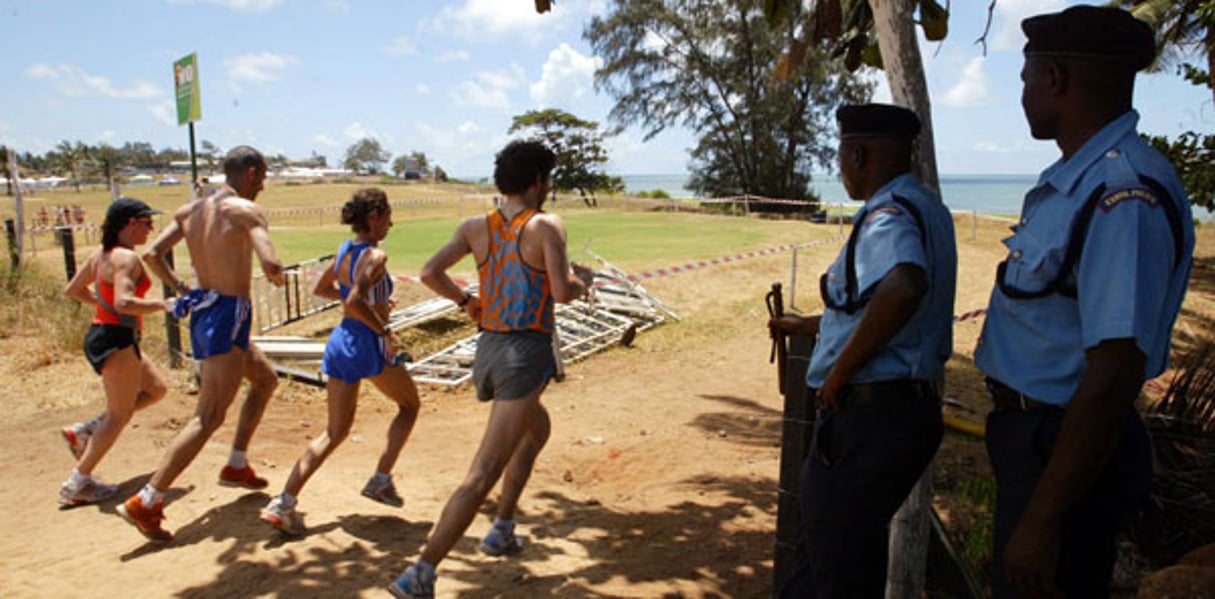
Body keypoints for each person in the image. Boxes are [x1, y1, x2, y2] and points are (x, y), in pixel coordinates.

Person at [975, 6, 1195, 598]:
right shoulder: (1078, 179)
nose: (1021, 93)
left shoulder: (1123, 197)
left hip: (1064, 454)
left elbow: (1114, 372)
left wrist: (1043, 522)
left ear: (1056, 79)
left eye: (1025, 78)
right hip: (1038, 442)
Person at [388, 140, 594, 597]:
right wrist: (584, 281)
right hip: (525, 354)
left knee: (536, 432)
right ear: (538, 182)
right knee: (482, 473)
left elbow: (428, 272)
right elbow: (561, 292)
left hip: (489, 350)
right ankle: (420, 571)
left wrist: (467, 302)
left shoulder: (475, 226)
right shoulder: (546, 225)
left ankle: (502, 526)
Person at [770, 104, 957, 597]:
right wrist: (807, 324)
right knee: (832, 556)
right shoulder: (927, 207)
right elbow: (869, 303)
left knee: (836, 571)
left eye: (840, 155)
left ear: (857, 153)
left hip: (869, 416)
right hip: (904, 411)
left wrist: (838, 374)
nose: (840, 167)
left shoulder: (886, 215)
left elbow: (905, 286)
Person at [116, 146, 286, 542]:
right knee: (209, 414)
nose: (262, 185)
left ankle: (237, 464)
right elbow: (270, 261)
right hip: (229, 314)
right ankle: (148, 499)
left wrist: (182, 289)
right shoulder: (245, 211)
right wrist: (275, 272)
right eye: (261, 177)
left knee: (265, 380)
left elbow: (154, 253)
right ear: (250, 171)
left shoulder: (190, 211)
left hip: (212, 310)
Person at [259, 188, 422, 536]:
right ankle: (380, 479)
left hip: (341, 341)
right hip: (368, 343)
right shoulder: (376, 256)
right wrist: (384, 328)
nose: (391, 223)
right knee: (409, 406)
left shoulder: (345, 249)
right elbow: (353, 302)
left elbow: (325, 289)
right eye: (388, 216)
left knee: (334, 432)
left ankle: (283, 502)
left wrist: (371, 306)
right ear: (374, 216)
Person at [58, 198, 171, 506]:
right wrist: (165, 305)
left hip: (109, 334)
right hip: (116, 339)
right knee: (119, 415)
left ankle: (86, 429)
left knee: (157, 389)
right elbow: (124, 302)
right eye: (148, 223)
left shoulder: (101, 254)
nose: (151, 229)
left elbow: (74, 290)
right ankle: (77, 483)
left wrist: (105, 307)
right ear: (131, 223)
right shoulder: (126, 259)